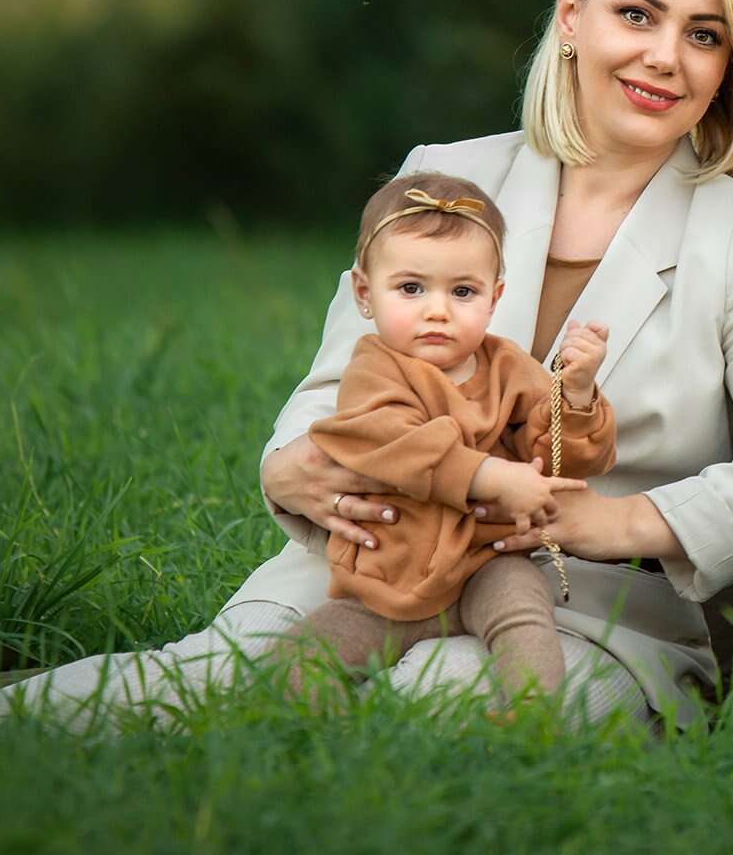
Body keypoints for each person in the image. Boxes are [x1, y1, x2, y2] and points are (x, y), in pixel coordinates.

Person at [0, 0, 733, 729]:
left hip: (593, 611)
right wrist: (289, 469)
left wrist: (627, 522)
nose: (664, 56)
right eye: (636, 14)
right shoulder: (447, 176)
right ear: (572, 14)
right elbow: (332, 389)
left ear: (728, 65)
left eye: (704, 34)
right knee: (214, 680)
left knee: (434, 704)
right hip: (382, 564)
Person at [264, 173, 617, 706]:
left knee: (525, 617)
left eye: (463, 292)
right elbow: (391, 441)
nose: (437, 310)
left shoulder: (508, 367)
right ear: (365, 294)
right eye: (411, 288)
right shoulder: (374, 368)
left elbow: (562, 457)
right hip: (389, 579)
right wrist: (488, 476)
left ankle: (533, 717)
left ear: (494, 298)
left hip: (487, 564)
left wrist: (577, 394)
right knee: (296, 660)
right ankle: (326, 733)